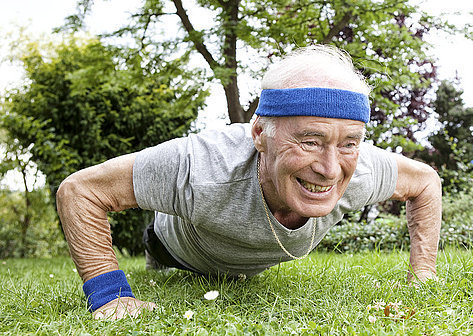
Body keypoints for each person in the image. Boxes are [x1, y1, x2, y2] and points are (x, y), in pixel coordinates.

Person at [56, 45, 442, 320]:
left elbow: (425, 181)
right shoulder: (200, 165)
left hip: (243, 261)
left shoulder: (359, 170)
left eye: (348, 143)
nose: (329, 169)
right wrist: (110, 295)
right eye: (310, 141)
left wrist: (422, 276)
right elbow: (81, 190)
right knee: (159, 257)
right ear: (259, 133)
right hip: (175, 249)